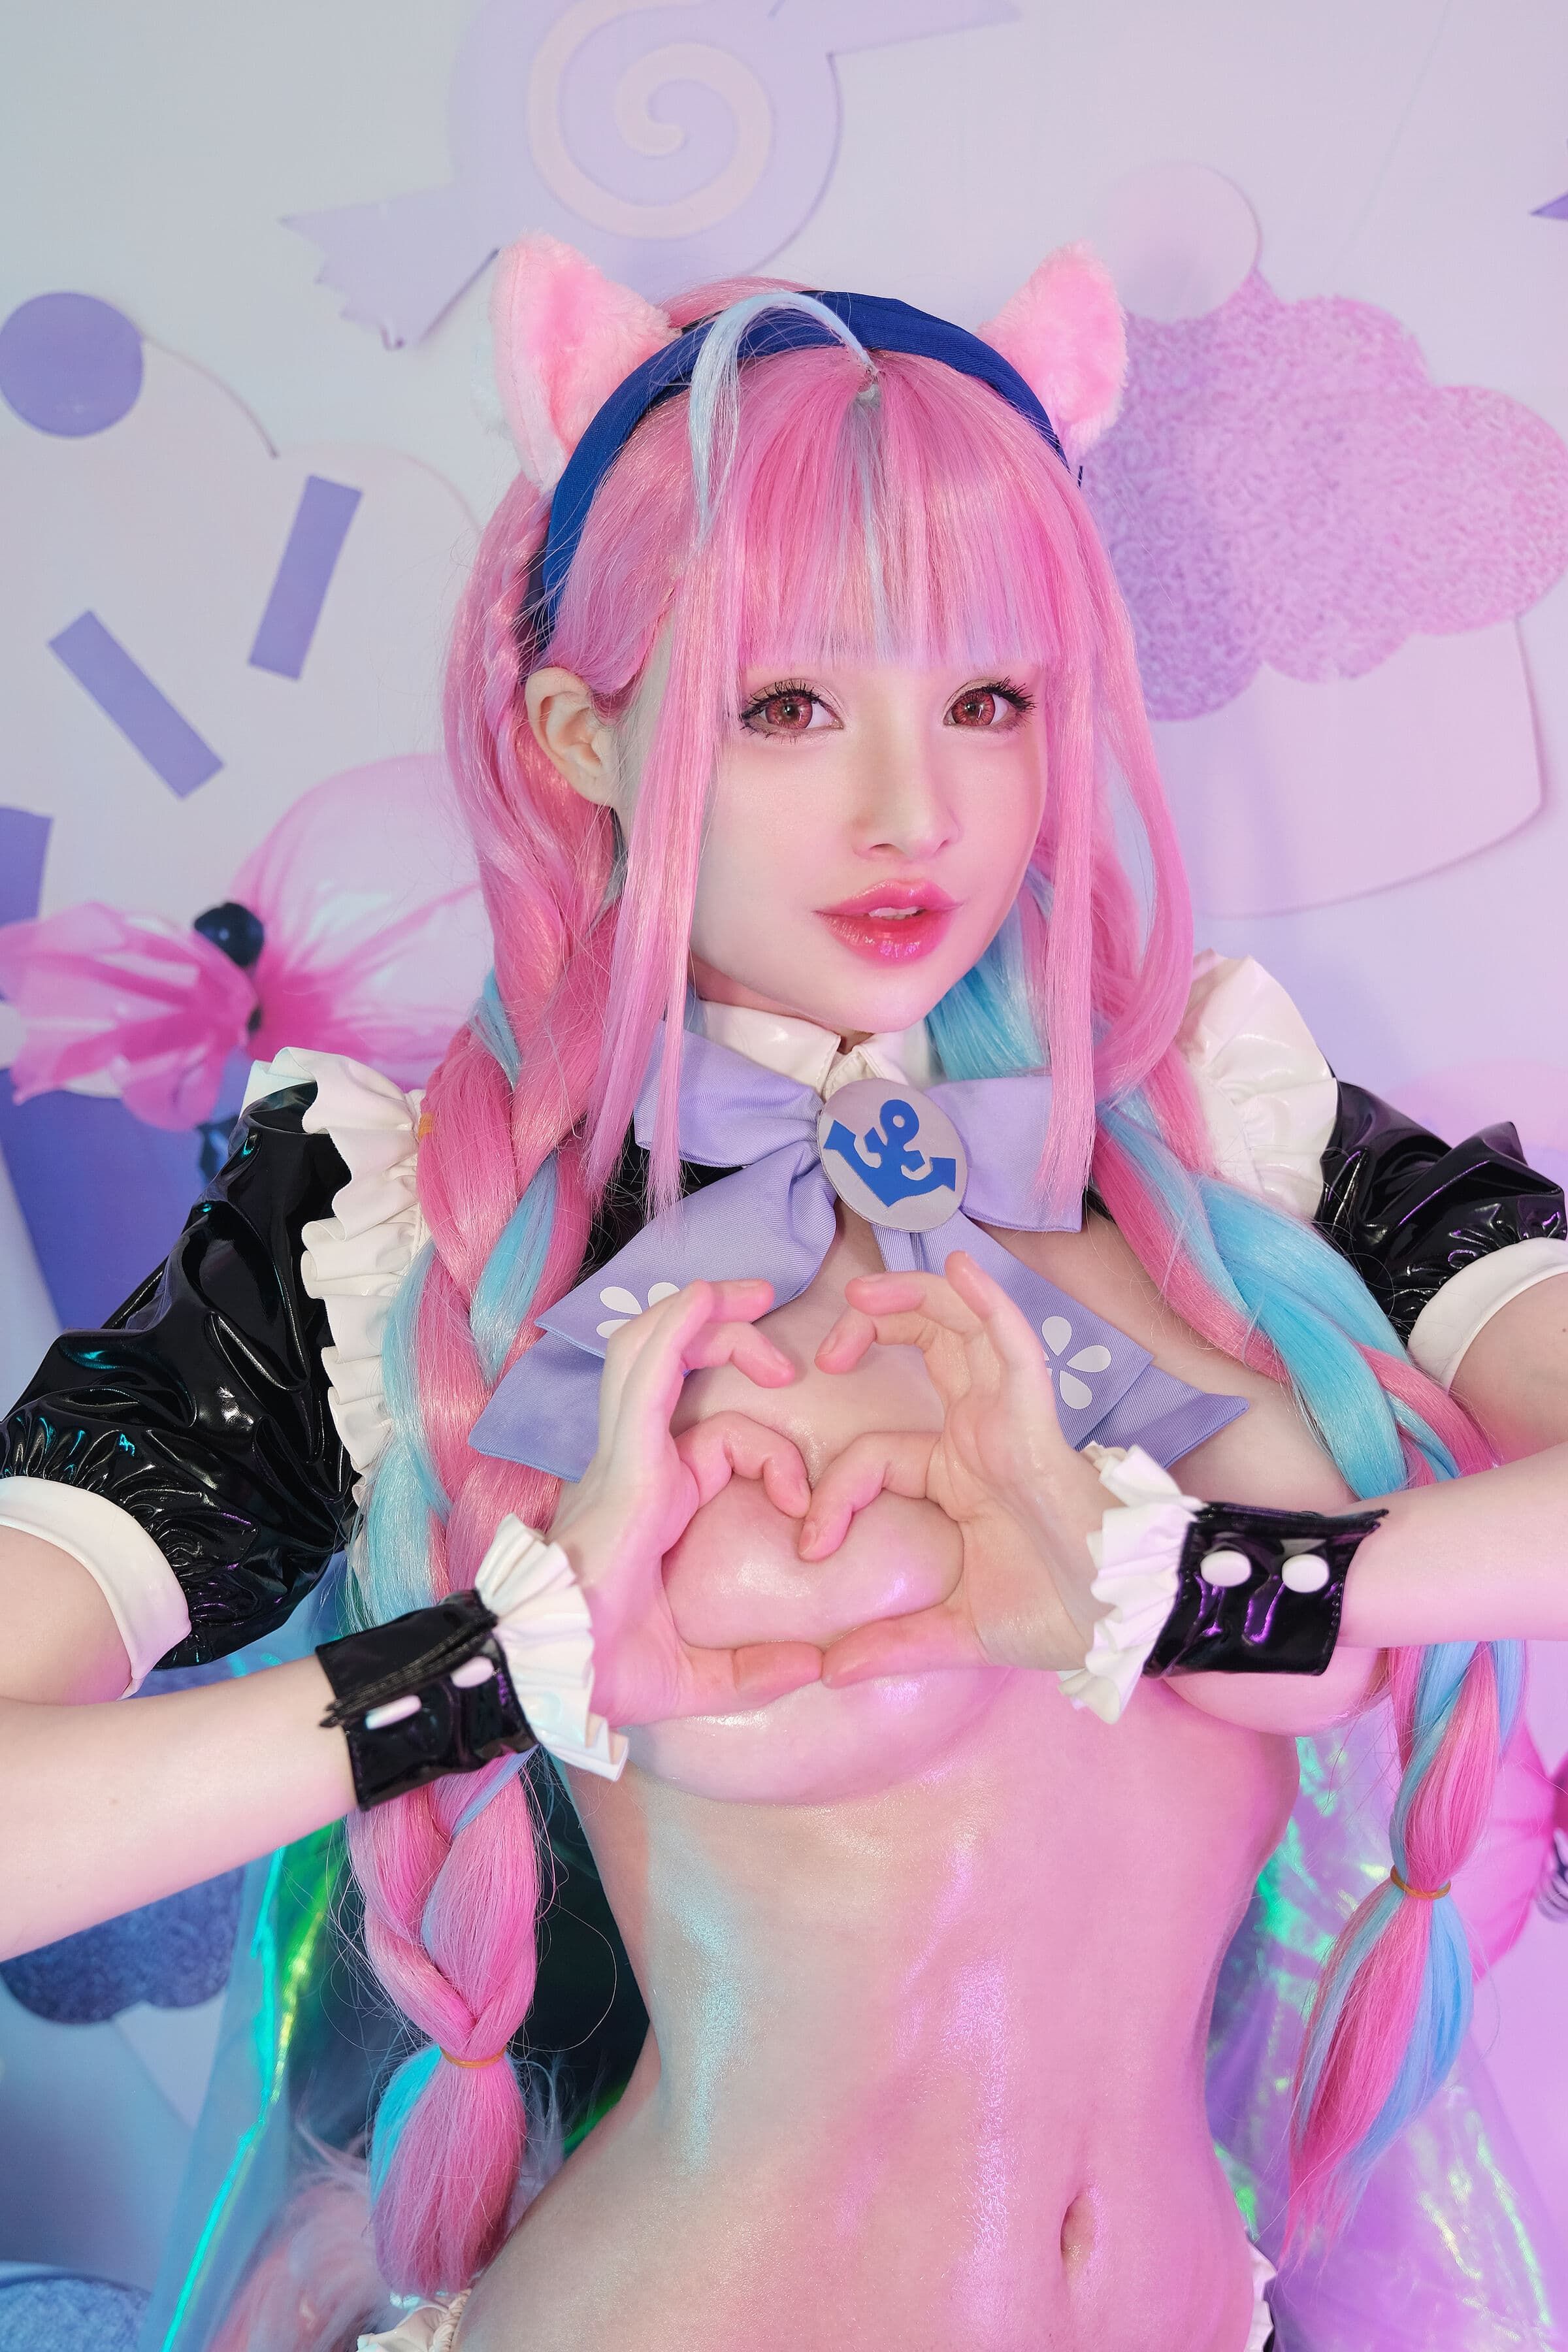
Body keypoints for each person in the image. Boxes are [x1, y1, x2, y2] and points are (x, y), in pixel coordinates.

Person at [1, 235, 1566, 2352]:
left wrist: (1206, 1583)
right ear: (584, 733)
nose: (914, 811)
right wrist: (489, 1671)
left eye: (989, 701)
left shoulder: (1233, 1137)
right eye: (789, 704)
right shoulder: (400, 1230)